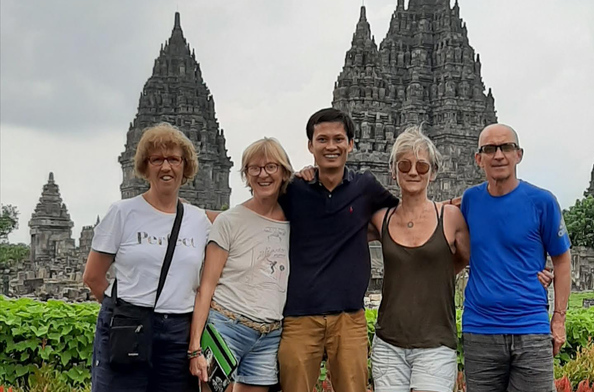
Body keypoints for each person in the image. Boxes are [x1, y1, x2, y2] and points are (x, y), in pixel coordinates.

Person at [277, 108, 399, 392]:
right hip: (299, 316)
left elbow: (406, 217)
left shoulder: (365, 186)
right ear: (310, 145)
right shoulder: (293, 190)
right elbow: (258, 221)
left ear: (350, 144)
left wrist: (459, 205)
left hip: (349, 317)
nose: (331, 146)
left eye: (338, 139)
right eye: (322, 139)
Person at [83, 123, 209, 392]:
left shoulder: (200, 220)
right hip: (128, 325)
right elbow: (93, 277)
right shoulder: (122, 212)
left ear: (185, 166)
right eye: (157, 160)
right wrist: (123, 311)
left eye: (174, 159)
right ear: (144, 166)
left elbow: (249, 221)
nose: (166, 167)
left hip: (178, 333)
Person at [460, 124, 571, 392]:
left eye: (506, 147)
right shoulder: (469, 201)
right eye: (490, 149)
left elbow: (562, 260)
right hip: (480, 327)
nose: (498, 155)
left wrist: (558, 318)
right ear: (479, 159)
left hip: (530, 327)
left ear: (518, 154)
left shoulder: (542, 202)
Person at [369, 126, 470, 392]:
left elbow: (471, 259)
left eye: (422, 166)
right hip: (388, 343)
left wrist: (533, 273)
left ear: (433, 173)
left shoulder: (450, 217)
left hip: (435, 344)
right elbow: (336, 233)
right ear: (393, 171)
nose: (413, 172)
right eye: (404, 165)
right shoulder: (381, 218)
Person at [188, 137, 294, 391]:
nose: (263, 174)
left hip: (269, 334)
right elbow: (207, 286)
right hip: (226, 327)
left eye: (271, 167)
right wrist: (195, 347)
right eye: (254, 168)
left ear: (283, 172)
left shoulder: (295, 220)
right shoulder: (229, 221)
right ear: (246, 175)